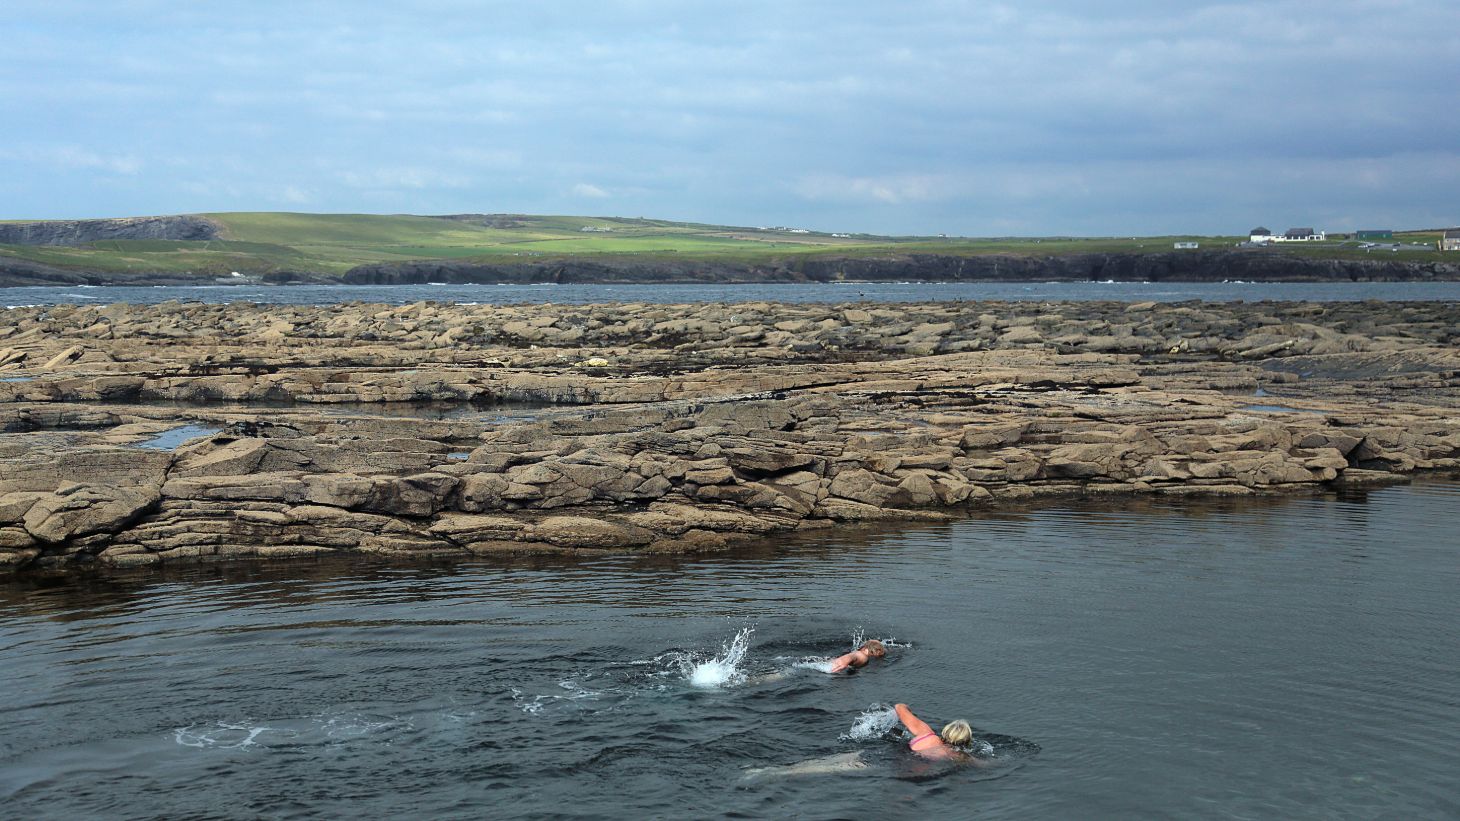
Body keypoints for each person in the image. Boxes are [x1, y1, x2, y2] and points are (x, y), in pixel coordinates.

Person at [895, 703, 973, 761]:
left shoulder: (926, 733)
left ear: (946, 731)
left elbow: (899, 707)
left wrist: (908, 709)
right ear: (967, 741)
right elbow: (983, 765)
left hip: (900, 756)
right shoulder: (958, 755)